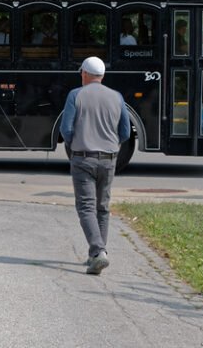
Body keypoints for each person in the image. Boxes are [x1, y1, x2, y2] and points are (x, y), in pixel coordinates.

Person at [60, 56, 130, 275]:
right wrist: (111, 145)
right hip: (109, 159)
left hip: (83, 158)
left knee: (86, 207)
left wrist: (76, 145)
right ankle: (97, 255)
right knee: (103, 207)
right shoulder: (117, 96)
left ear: (85, 74)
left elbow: (66, 129)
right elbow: (125, 132)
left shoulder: (75, 95)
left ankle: (98, 252)